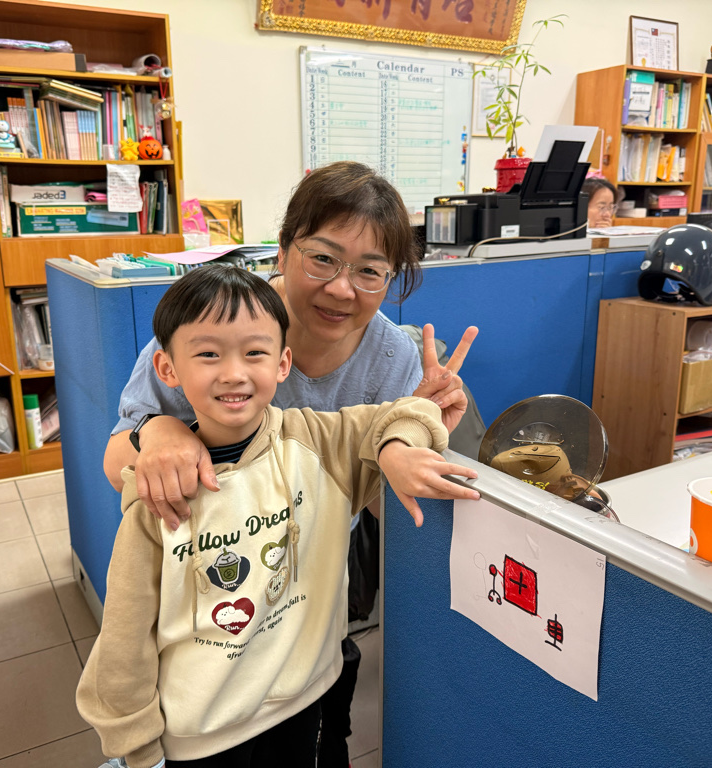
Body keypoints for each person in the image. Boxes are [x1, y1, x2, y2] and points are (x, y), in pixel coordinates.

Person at [102, 161, 478, 763]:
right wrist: (159, 430)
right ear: (283, 250)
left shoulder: (391, 357)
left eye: (370, 271)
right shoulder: (220, 321)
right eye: (322, 259)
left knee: (320, 703)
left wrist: (418, 432)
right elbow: (116, 460)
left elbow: (378, 500)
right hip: (214, 571)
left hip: (312, 568)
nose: (342, 289)